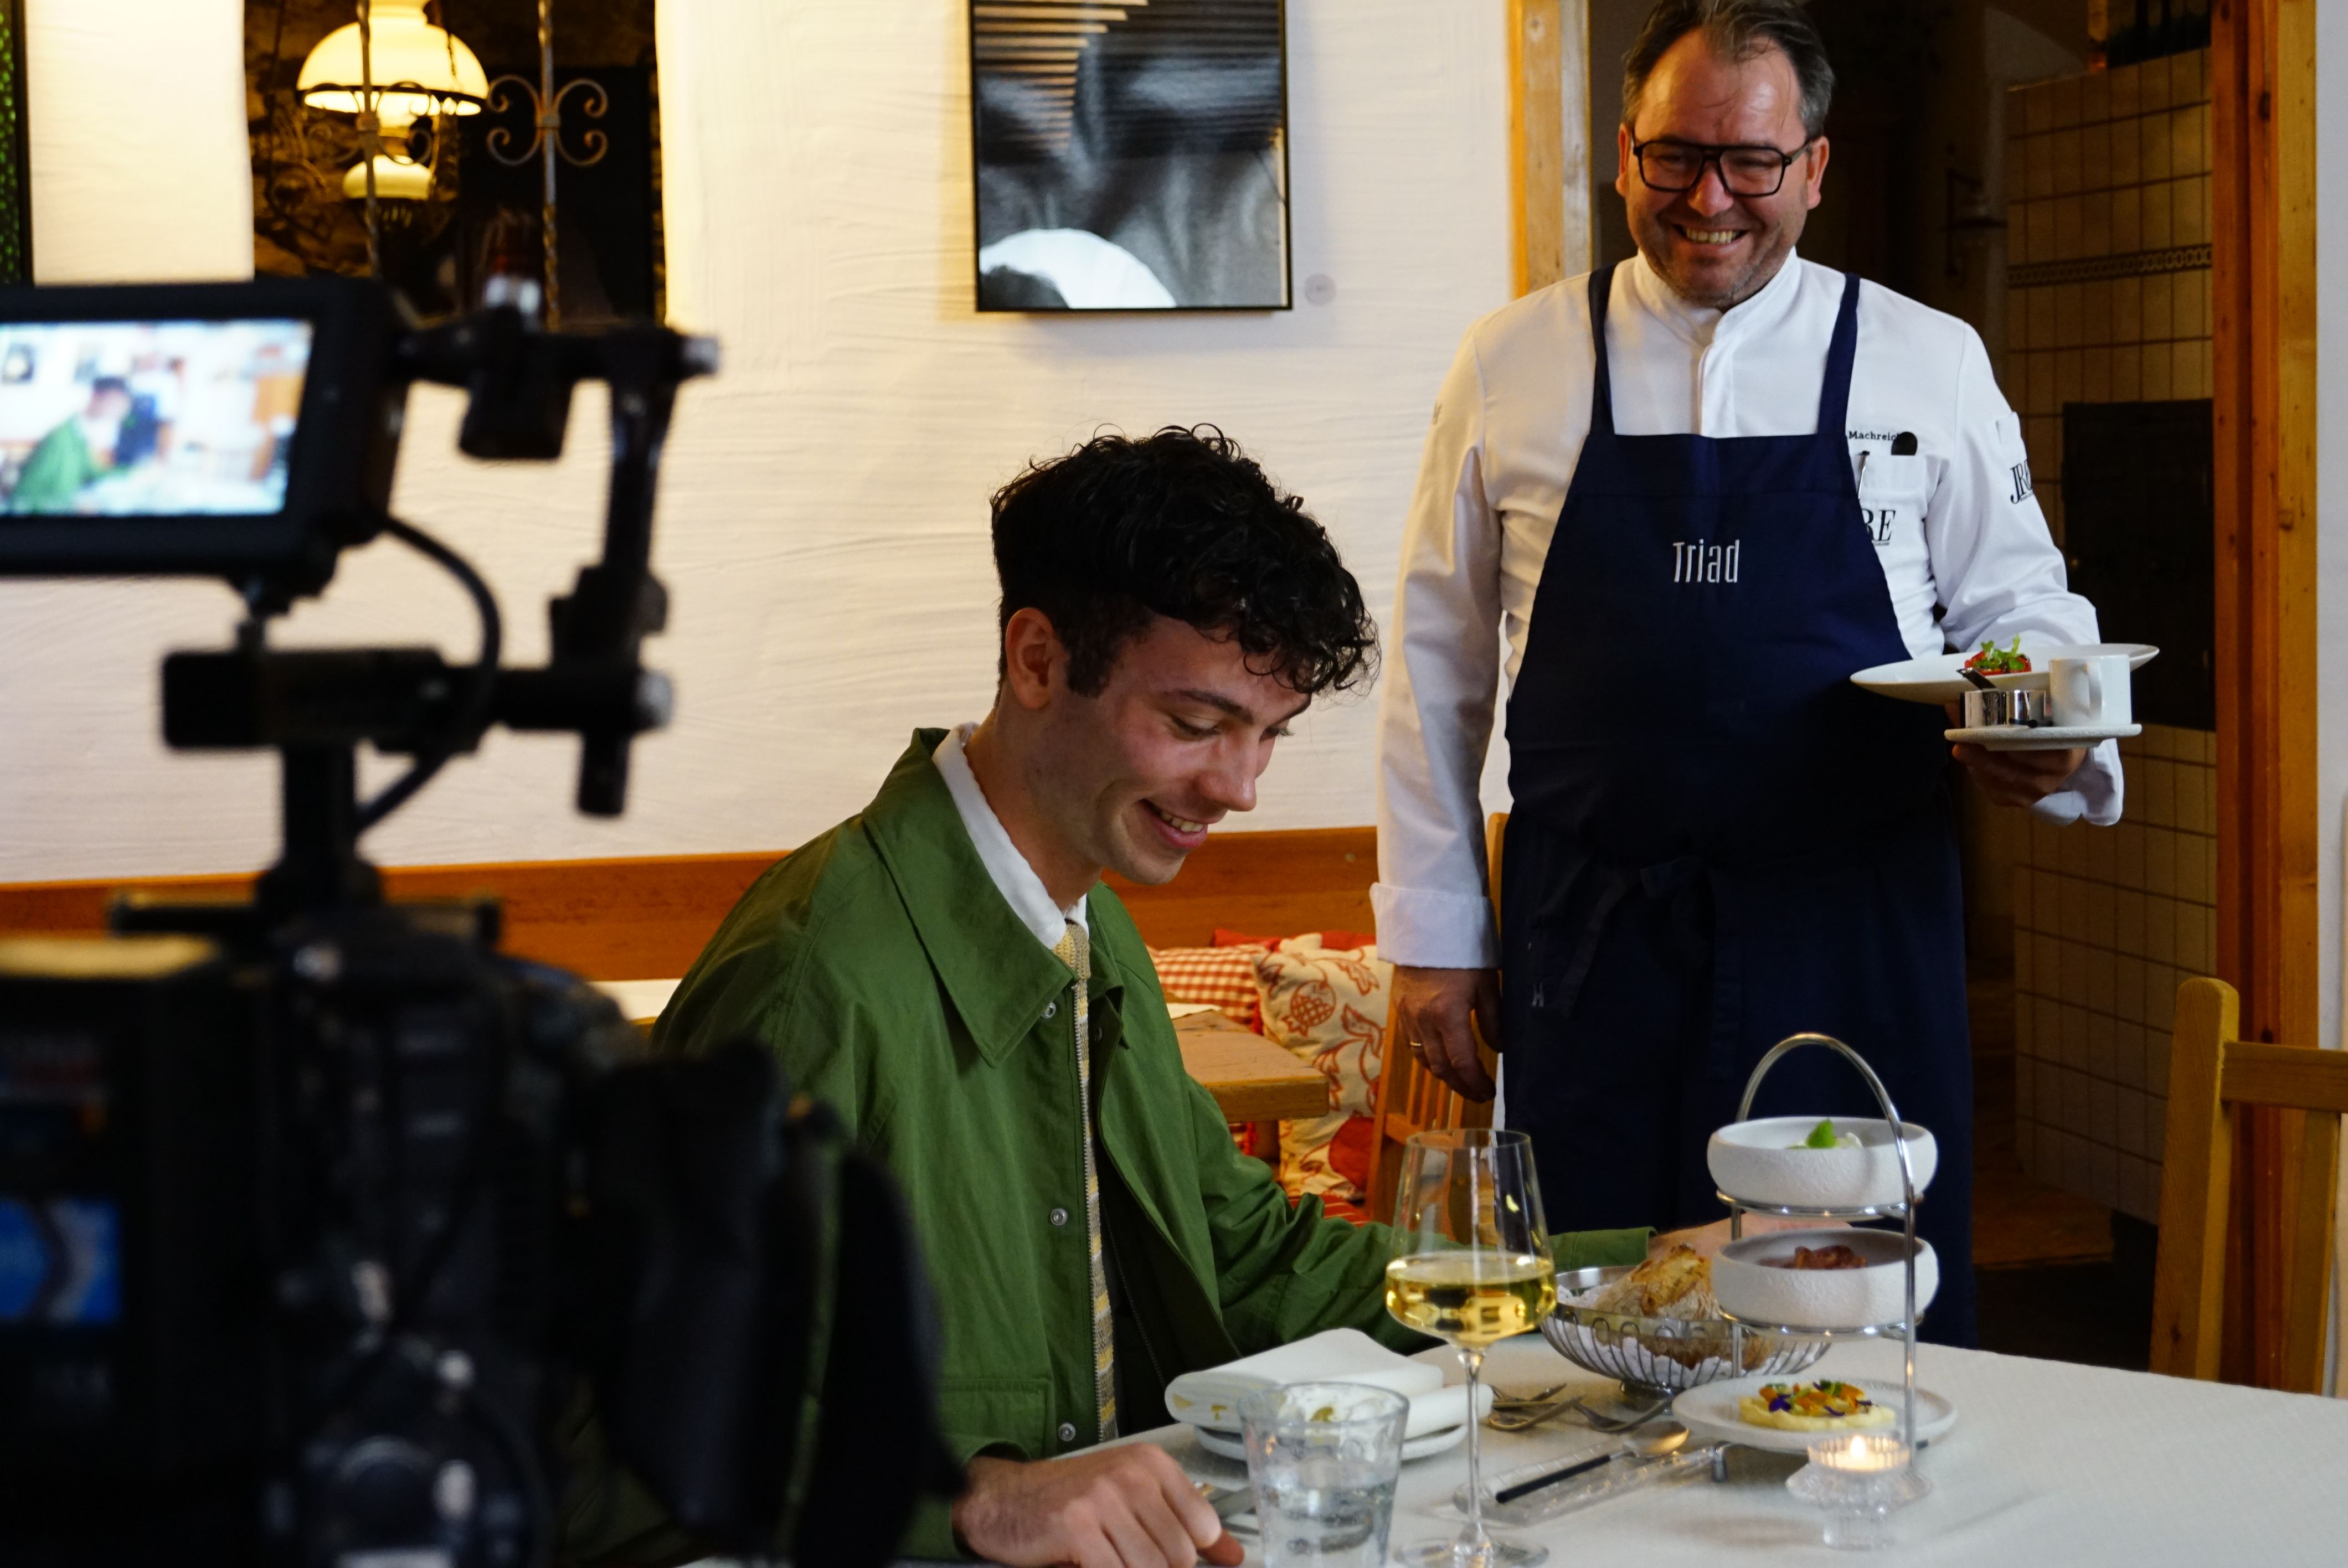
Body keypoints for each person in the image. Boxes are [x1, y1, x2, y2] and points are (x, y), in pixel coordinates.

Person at [561, 428, 1672, 1568]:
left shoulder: (1094, 932)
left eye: (1266, 738)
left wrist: (1633, 1276)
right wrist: (972, 1495)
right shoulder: (812, 981)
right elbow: (610, 1448)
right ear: (1036, 660)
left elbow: (1247, 1260)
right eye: (1194, 727)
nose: (1238, 789)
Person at [1375, 0, 2124, 1353]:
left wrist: (2056, 736)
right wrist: (1430, 931)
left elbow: (2022, 609)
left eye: (1751, 163)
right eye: (1674, 157)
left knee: (1850, 1310)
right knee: (1591, 1321)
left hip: (1853, 923)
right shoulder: (1511, 362)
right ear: (1620, 156)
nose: (1708, 198)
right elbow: (1432, 656)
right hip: (1591, 936)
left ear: (1814, 168)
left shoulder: (1924, 356)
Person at [10, 377, 131, 513]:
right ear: (96, 397)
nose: (119, 411)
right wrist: (73, 506)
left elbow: (93, 471)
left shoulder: (80, 433)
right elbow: (24, 497)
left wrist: (135, 474)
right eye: (115, 403)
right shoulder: (61, 439)